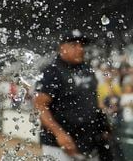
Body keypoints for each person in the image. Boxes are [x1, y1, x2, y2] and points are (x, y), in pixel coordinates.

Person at [34, 29, 114, 160]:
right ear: (62, 47)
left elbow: (93, 101)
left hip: (87, 143)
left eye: (81, 45)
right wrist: (59, 134)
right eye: (74, 45)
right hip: (58, 146)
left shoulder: (87, 69)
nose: (80, 49)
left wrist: (103, 125)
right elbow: (40, 105)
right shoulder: (52, 71)